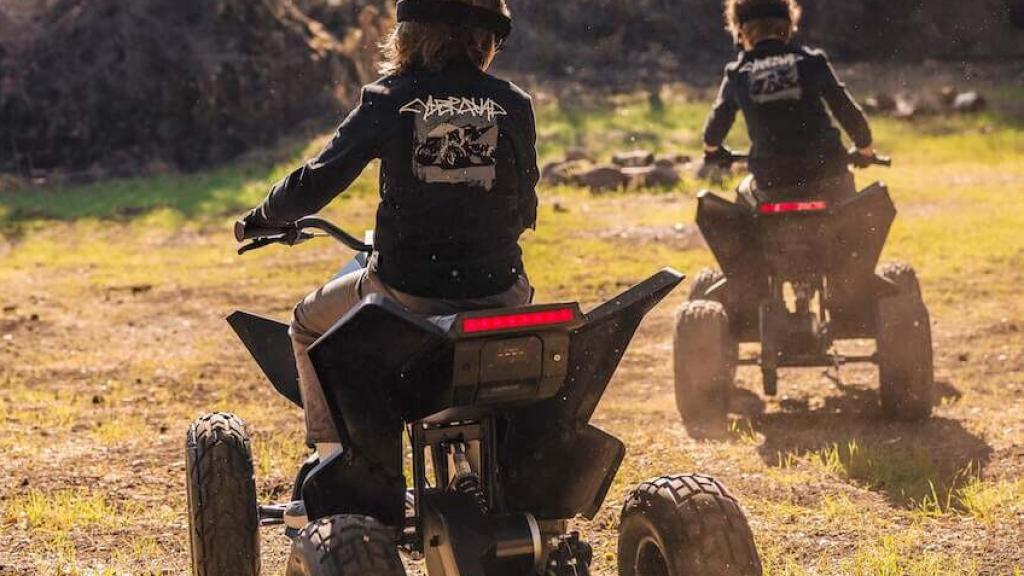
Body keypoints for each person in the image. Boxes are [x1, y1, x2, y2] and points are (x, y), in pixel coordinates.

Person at [238, 0, 538, 528]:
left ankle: (332, 459)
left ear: (411, 32)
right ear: (487, 37)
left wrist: (264, 215)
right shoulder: (514, 103)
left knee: (307, 322)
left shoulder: (390, 99)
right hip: (501, 292)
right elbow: (524, 207)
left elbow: (317, 181)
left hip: (407, 293)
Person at [703, 0, 876, 203]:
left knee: (746, 200)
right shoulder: (812, 61)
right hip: (828, 174)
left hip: (773, 181)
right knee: (848, 216)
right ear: (788, 26)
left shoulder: (738, 72)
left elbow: (717, 124)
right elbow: (845, 109)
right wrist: (865, 149)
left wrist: (712, 151)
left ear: (740, 32)